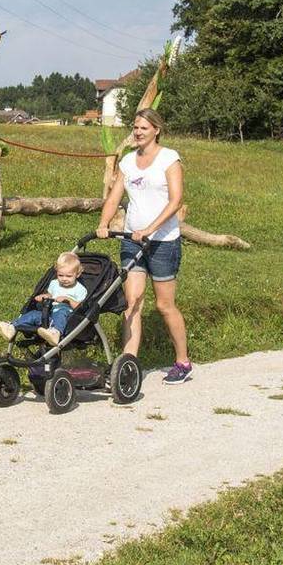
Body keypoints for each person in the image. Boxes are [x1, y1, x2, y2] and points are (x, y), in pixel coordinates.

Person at [96, 108, 192, 384]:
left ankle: (183, 361)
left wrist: (150, 229)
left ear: (156, 130)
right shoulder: (127, 161)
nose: (138, 132)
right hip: (131, 240)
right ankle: (129, 365)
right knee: (132, 302)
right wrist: (104, 223)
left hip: (162, 242)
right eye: (135, 128)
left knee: (164, 305)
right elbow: (114, 197)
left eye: (143, 128)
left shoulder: (169, 159)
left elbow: (175, 201)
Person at [0, 251, 87, 347]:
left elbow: (81, 307)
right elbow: (50, 295)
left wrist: (68, 300)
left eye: (69, 276)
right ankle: (11, 327)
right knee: (33, 314)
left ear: (78, 274)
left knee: (61, 311)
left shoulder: (80, 289)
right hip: (49, 314)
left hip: (67, 318)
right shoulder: (54, 283)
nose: (64, 279)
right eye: (60, 275)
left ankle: (55, 333)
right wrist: (45, 296)